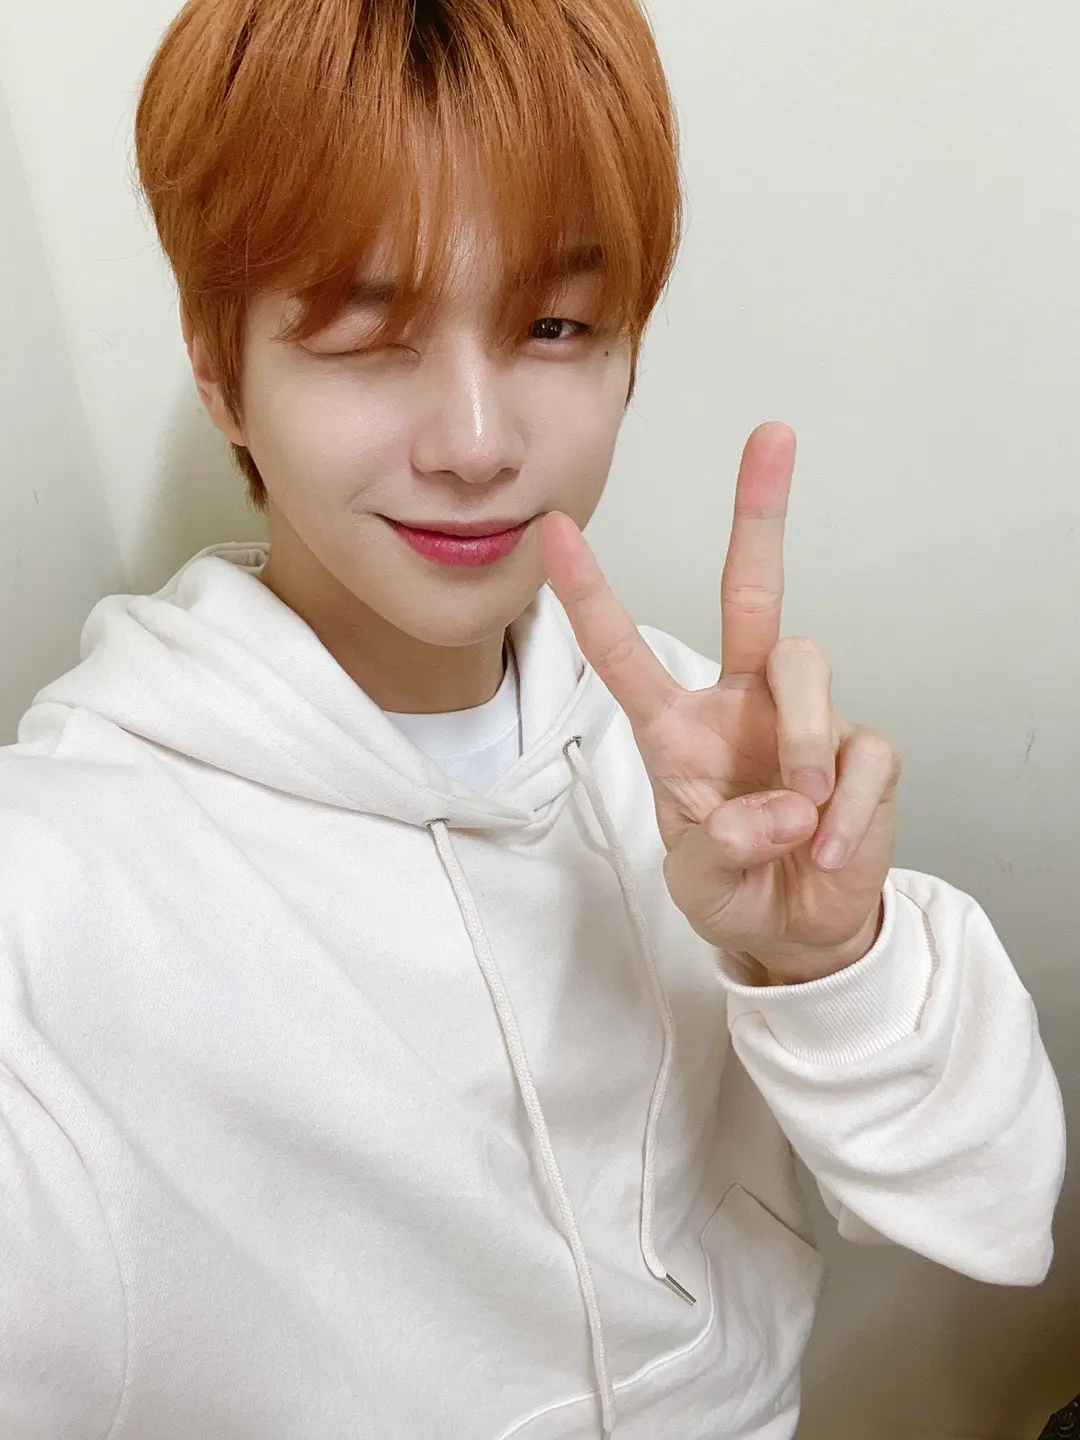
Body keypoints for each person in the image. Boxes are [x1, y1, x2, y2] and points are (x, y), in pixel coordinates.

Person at [0, 1, 1065, 1437]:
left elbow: (997, 1214)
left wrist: (822, 958)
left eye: (554, 326)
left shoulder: (687, 754)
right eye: (366, 330)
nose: (478, 444)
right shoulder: (61, 886)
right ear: (217, 369)